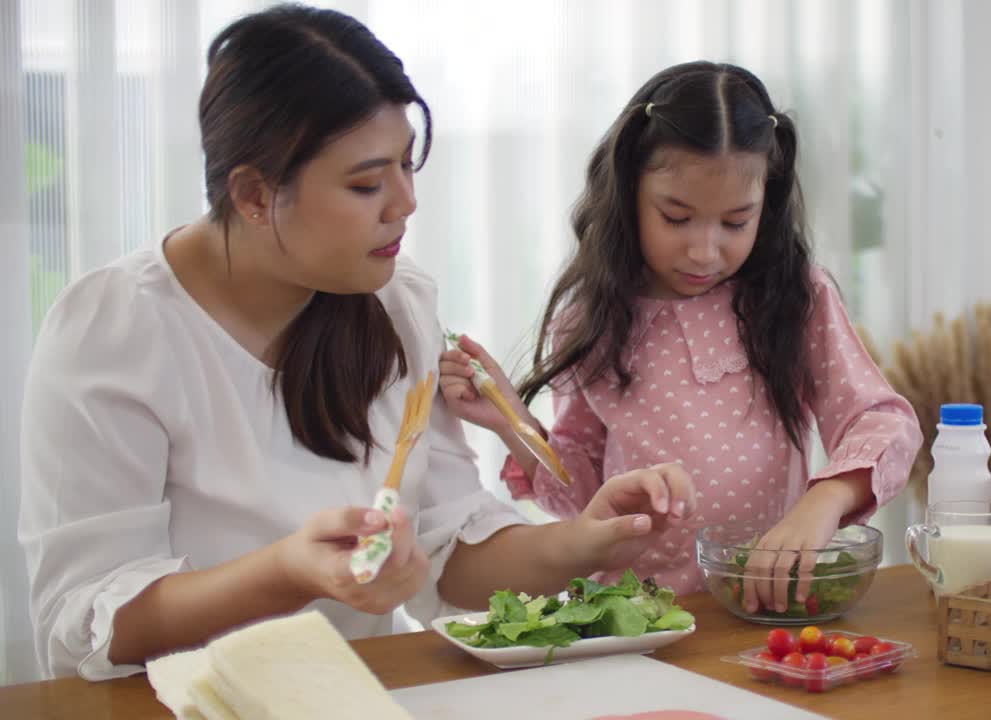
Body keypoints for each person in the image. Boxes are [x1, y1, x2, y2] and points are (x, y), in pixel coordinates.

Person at [18, 4, 693, 681]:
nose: (405, 202)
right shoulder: (114, 330)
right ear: (253, 194)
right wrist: (287, 571)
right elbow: (91, 623)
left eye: (407, 164)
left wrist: (583, 540)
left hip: (351, 695)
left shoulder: (396, 304)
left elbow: (449, 557)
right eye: (366, 182)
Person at [441, 61, 922, 616]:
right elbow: (583, 502)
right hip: (631, 615)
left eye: (736, 222)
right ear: (626, 194)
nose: (704, 251)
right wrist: (511, 421)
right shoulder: (590, 318)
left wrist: (825, 501)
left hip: (758, 609)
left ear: (767, 207)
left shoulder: (795, 299)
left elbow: (885, 422)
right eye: (676, 218)